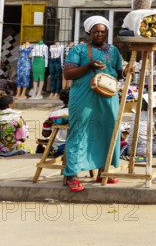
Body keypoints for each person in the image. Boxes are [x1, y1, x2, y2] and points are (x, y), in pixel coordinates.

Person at [63, 15, 125, 192]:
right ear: (89, 32)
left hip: (108, 96)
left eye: (103, 31)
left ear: (107, 33)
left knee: (108, 131)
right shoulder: (79, 50)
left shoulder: (113, 51)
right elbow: (68, 74)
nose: (99, 34)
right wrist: (88, 66)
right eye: (96, 31)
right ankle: (72, 174)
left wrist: (127, 71)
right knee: (80, 131)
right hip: (83, 96)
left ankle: (103, 170)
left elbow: (119, 73)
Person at [36, 87, 70, 157]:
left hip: (57, 149)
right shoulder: (79, 114)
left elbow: (45, 134)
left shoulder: (53, 115)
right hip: (74, 149)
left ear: (62, 100)